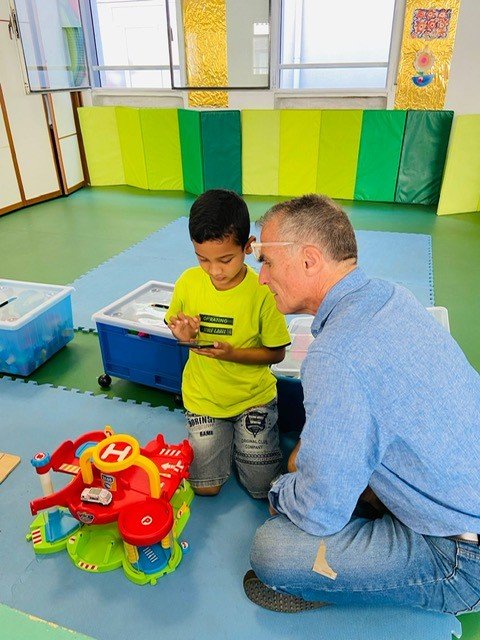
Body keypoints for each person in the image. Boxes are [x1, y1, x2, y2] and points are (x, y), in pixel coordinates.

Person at [243, 193, 480, 614]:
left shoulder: (335, 355)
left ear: (309, 260)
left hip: (462, 559)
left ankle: (333, 584)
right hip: (462, 494)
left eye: (267, 262)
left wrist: (279, 493)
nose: (261, 278)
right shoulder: (391, 296)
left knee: (272, 551)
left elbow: (319, 512)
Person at [166, 189, 291, 499]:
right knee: (205, 487)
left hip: (252, 400)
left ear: (248, 247)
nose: (215, 270)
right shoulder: (188, 282)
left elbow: (277, 353)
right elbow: (176, 326)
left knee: (262, 488)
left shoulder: (262, 291)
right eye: (203, 259)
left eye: (225, 259)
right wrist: (183, 335)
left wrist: (233, 354)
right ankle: (230, 442)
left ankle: (240, 442)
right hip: (204, 399)